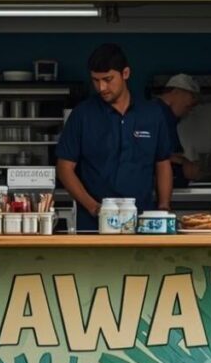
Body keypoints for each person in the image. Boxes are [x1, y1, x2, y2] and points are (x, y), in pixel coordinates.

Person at [56, 44, 173, 231]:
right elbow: (64, 168)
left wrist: (164, 208)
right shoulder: (82, 115)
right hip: (93, 226)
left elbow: (163, 163)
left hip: (143, 224)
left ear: (125, 73)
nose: (101, 87)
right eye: (95, 80)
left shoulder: (152, 114)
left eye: (108, 79)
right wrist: (94, 208)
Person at [155, 74, 202, 188]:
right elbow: (153, 154)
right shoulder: (157, 113)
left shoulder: (169, 116)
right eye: (191, 97)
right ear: (176, 92)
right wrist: (185, 164)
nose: (191, 106)